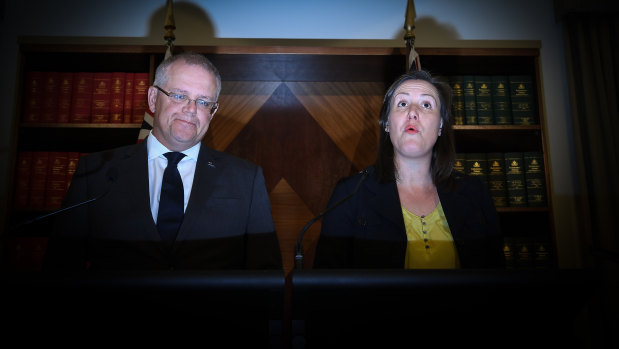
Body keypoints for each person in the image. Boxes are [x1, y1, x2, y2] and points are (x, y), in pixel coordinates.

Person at [44, 52, 282, 271]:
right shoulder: (96, 172)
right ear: (153, 98)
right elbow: (60, 268)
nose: (190, 109)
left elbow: (266, 275)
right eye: (179, 96)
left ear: (213, 111)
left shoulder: (246, 179)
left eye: (203, 102)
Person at [313, 70, 504, 269]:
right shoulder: (349, 194)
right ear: (387, 123)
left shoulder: (476, 193)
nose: (412, 112)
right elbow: (327, 291)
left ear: (440, 125)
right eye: (402, 104)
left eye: (426, 105)